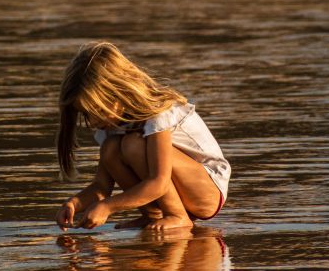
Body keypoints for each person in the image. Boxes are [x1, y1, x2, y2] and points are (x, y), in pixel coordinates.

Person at [55, 41, 231, 232]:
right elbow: (101, 186)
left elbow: (159, 182)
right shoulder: (110, 125)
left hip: (207, 192)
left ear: (118, 93)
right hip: (179, 191)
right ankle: (152, 215)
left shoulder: (158, 114)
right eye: (86, 114)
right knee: (110, 148)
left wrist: (108, 207)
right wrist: (74, 204)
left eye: (98, 110)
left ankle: (177, 216)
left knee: (132, 145)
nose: (93, 122)